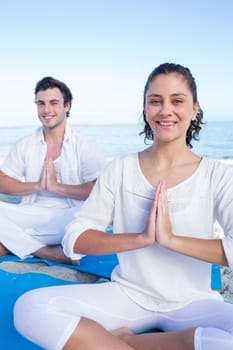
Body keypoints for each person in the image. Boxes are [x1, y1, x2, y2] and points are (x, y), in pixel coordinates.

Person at [14, 63, 233, 350]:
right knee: (29, 308)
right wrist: (140, 239)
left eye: (177, 101)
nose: (165, 110)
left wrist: (171, 240)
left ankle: (133, 343)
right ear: (145, 109)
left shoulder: (217, 175)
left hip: (195, 302)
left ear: (194, 109)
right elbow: (75, 237)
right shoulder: (121, 168)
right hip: (128, 296)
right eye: (155, 101)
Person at [0, 76, 105, 264]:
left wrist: (57, 187)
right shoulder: (26, 144)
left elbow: (98, 190)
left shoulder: (84, 144)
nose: (46, 110)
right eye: (41, 103)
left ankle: (12, 243)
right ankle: (45, 251)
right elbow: (2, 181)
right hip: (32, 213)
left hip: (71, 216)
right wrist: (39, 186)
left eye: (53, 103)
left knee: (89, 219)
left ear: (67, 106)